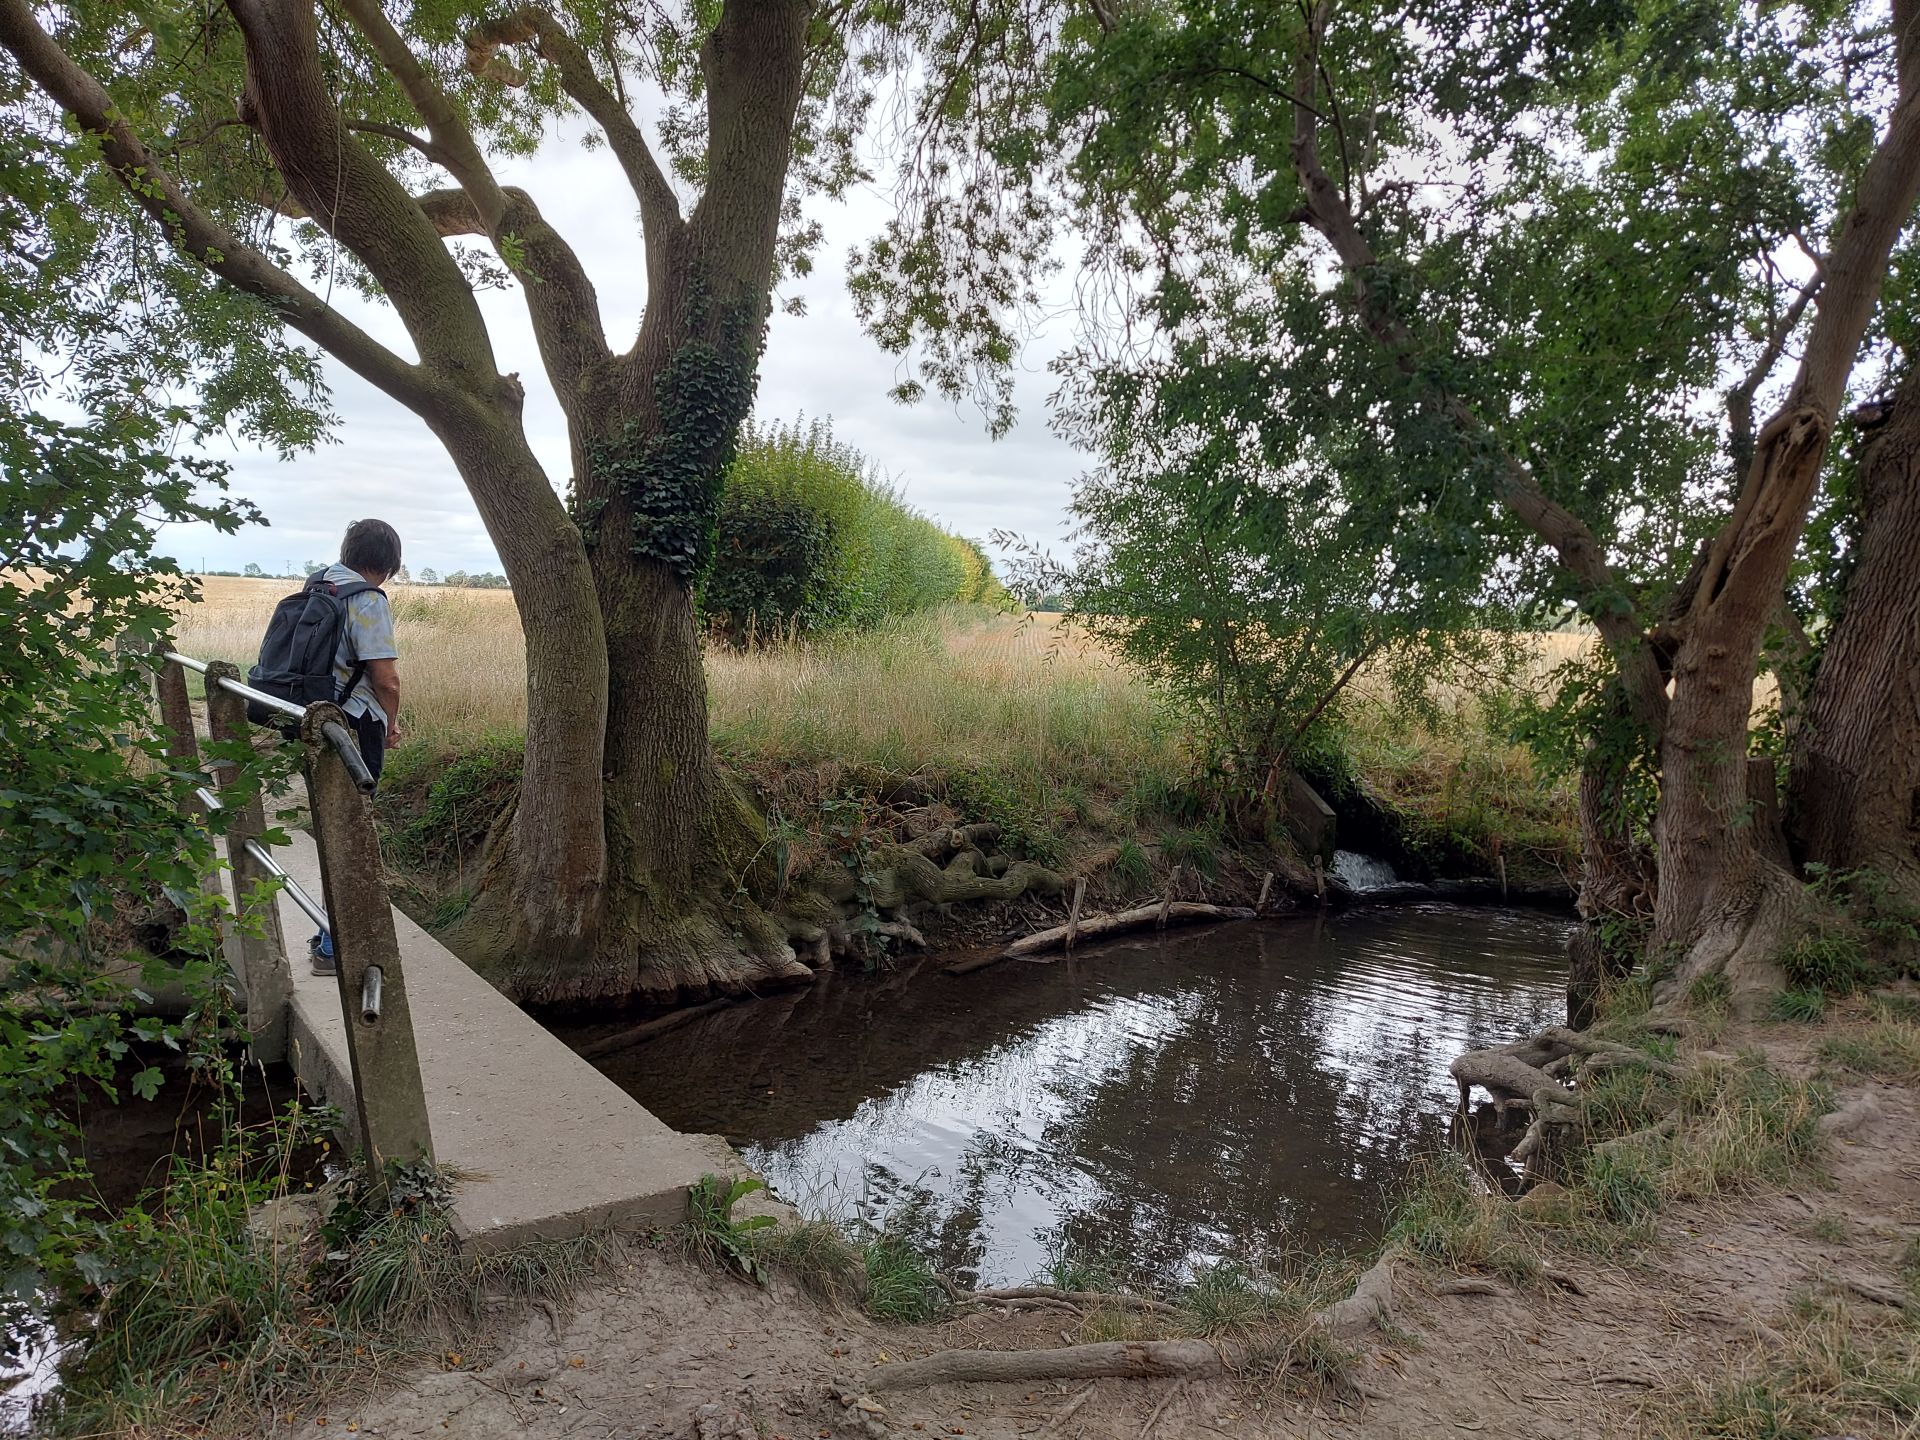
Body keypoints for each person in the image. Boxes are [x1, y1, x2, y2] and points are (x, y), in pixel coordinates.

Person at [309, 518, 404, 976]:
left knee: (333, 823)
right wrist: (392, 724)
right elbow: (385, 678)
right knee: (354, 828)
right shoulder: (366, 599)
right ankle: (332, 946)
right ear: (387, 563)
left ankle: (328, 932)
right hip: (354, 725)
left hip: (312, 719)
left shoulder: (319, 585)